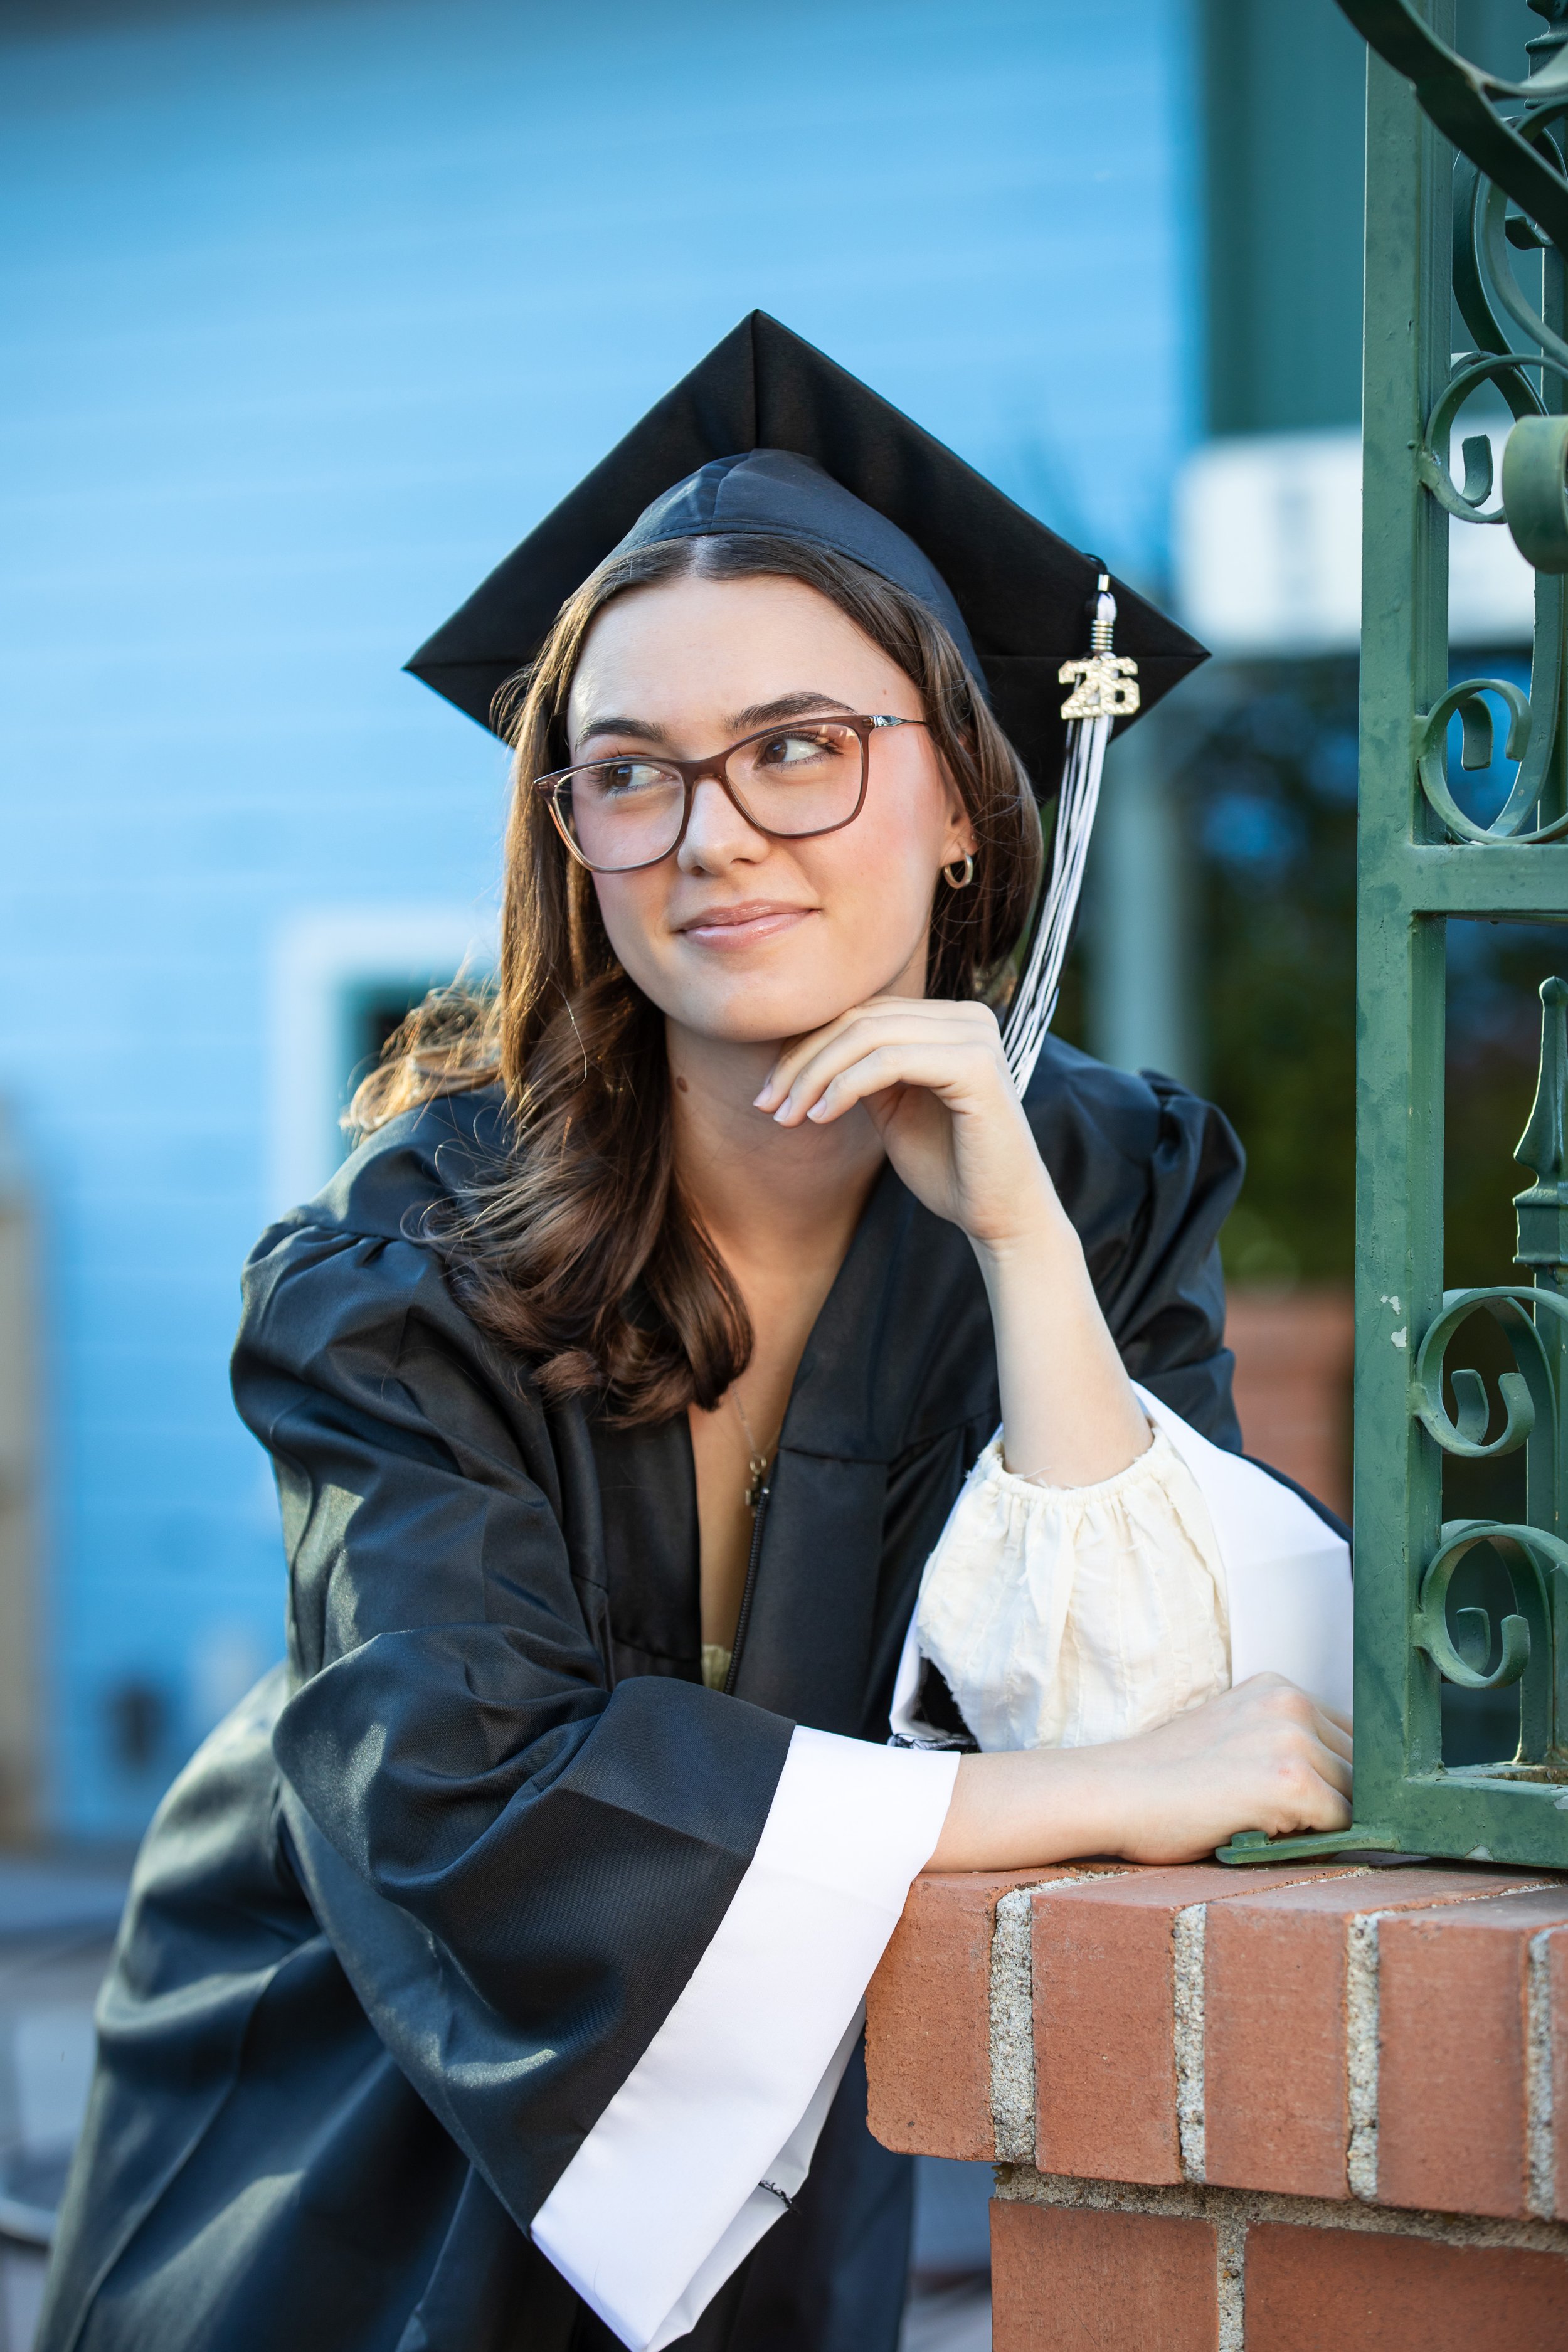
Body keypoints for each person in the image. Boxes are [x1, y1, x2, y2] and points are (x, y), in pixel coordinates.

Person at [37, 315, 1352, 2352]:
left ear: (965, 801)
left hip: (772, 2154)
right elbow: (464, 1799)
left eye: (799, 746)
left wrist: (1016, 1240)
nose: (713, 834)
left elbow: (1198, 1717)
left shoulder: (1096, 1177)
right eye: (631, 773)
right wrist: (1059, 1795)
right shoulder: (412, 1256)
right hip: (346, 2125)